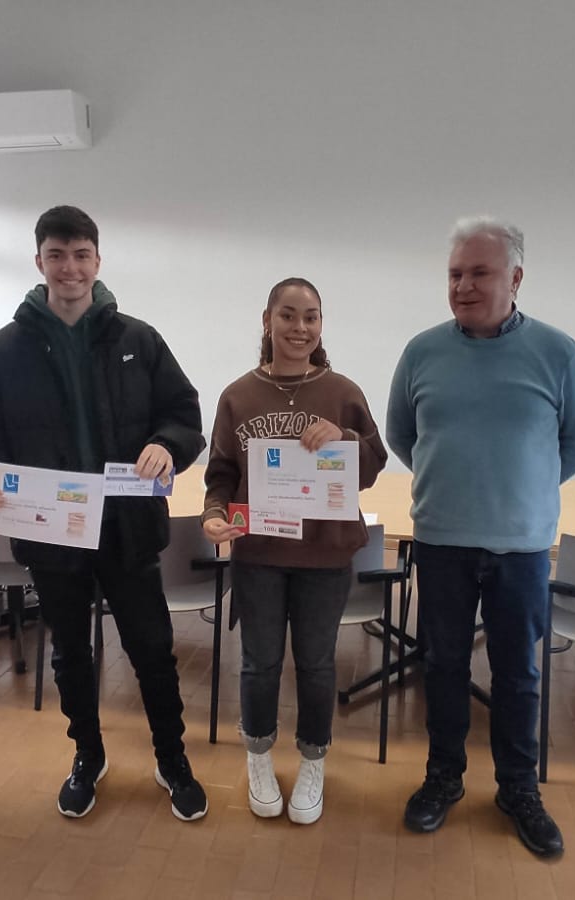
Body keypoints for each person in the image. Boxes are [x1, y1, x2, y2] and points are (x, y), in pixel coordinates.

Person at [0, 206, 209, 821]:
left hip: (128, 530)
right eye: (57, 255)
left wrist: (168, 444)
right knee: (70, 653)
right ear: (38, 261)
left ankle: (172, 759)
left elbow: (183, 413)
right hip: (50, 535)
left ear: (98, 260)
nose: (69, 267)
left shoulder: (138, 340)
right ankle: (87, 756)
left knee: (152, 649)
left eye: (80, 255)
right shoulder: (3, 351)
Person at [386, 217, 575, 858]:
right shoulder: (422, 352)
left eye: (479, 272)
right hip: (442, 540)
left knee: (518, 674)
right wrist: (457, 484)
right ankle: (443, 777)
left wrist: (522, 488)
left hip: (521, 546)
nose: (464, 286)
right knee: (443, 665)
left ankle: (518, 789)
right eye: (455, 274)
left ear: (516, 278)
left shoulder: (557, 353)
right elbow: (402, 436)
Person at [201, 277, 387, 825]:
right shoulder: (238, 396)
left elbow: (373, 466)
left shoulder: (343, 392)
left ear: (321, 325)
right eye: (288, 315)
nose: (299, 327)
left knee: (317, 663)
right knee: (259, 663)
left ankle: (312, 761)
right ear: (268, 321)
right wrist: (213, 513)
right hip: (257, 553)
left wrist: (344, 439)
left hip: (325, 556)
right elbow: (221, 473)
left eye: (311, 317)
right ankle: (258, 755)